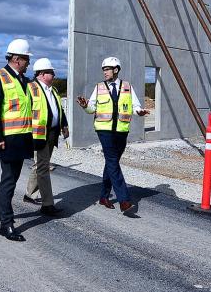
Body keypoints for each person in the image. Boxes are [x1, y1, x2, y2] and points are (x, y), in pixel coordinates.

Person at [76, 56, 149, 214]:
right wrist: (85, 106)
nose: (105, 72)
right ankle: (124, 200)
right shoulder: (99, 87)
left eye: (107, 69)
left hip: (122, 130)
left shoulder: (127, 87)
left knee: (112, 163)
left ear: (116, 69)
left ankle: (103, 196)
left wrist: (140, 111)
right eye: (103, 70)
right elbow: (92, 109)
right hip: (104, 130)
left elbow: (135, 106)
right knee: (112, 161)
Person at [0, 39, 34, 242]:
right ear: (16, 59)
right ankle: (6, 224)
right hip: (6, 139)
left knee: (11, 178)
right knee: (9, 181)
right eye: (26, 59)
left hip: (22, 138)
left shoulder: (24, 81)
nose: (28, 63)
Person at [23, 58, 68, 216]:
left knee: (41, 164)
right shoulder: (30, 88)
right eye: (50, 72)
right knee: (43, 168)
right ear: (41, 74)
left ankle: (29, 194)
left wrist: (64, 125)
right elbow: (25, 112)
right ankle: (48, 204)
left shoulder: (53, 90)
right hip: (38, 135)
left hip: (52, 133)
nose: (54, 74)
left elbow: (59, 109)